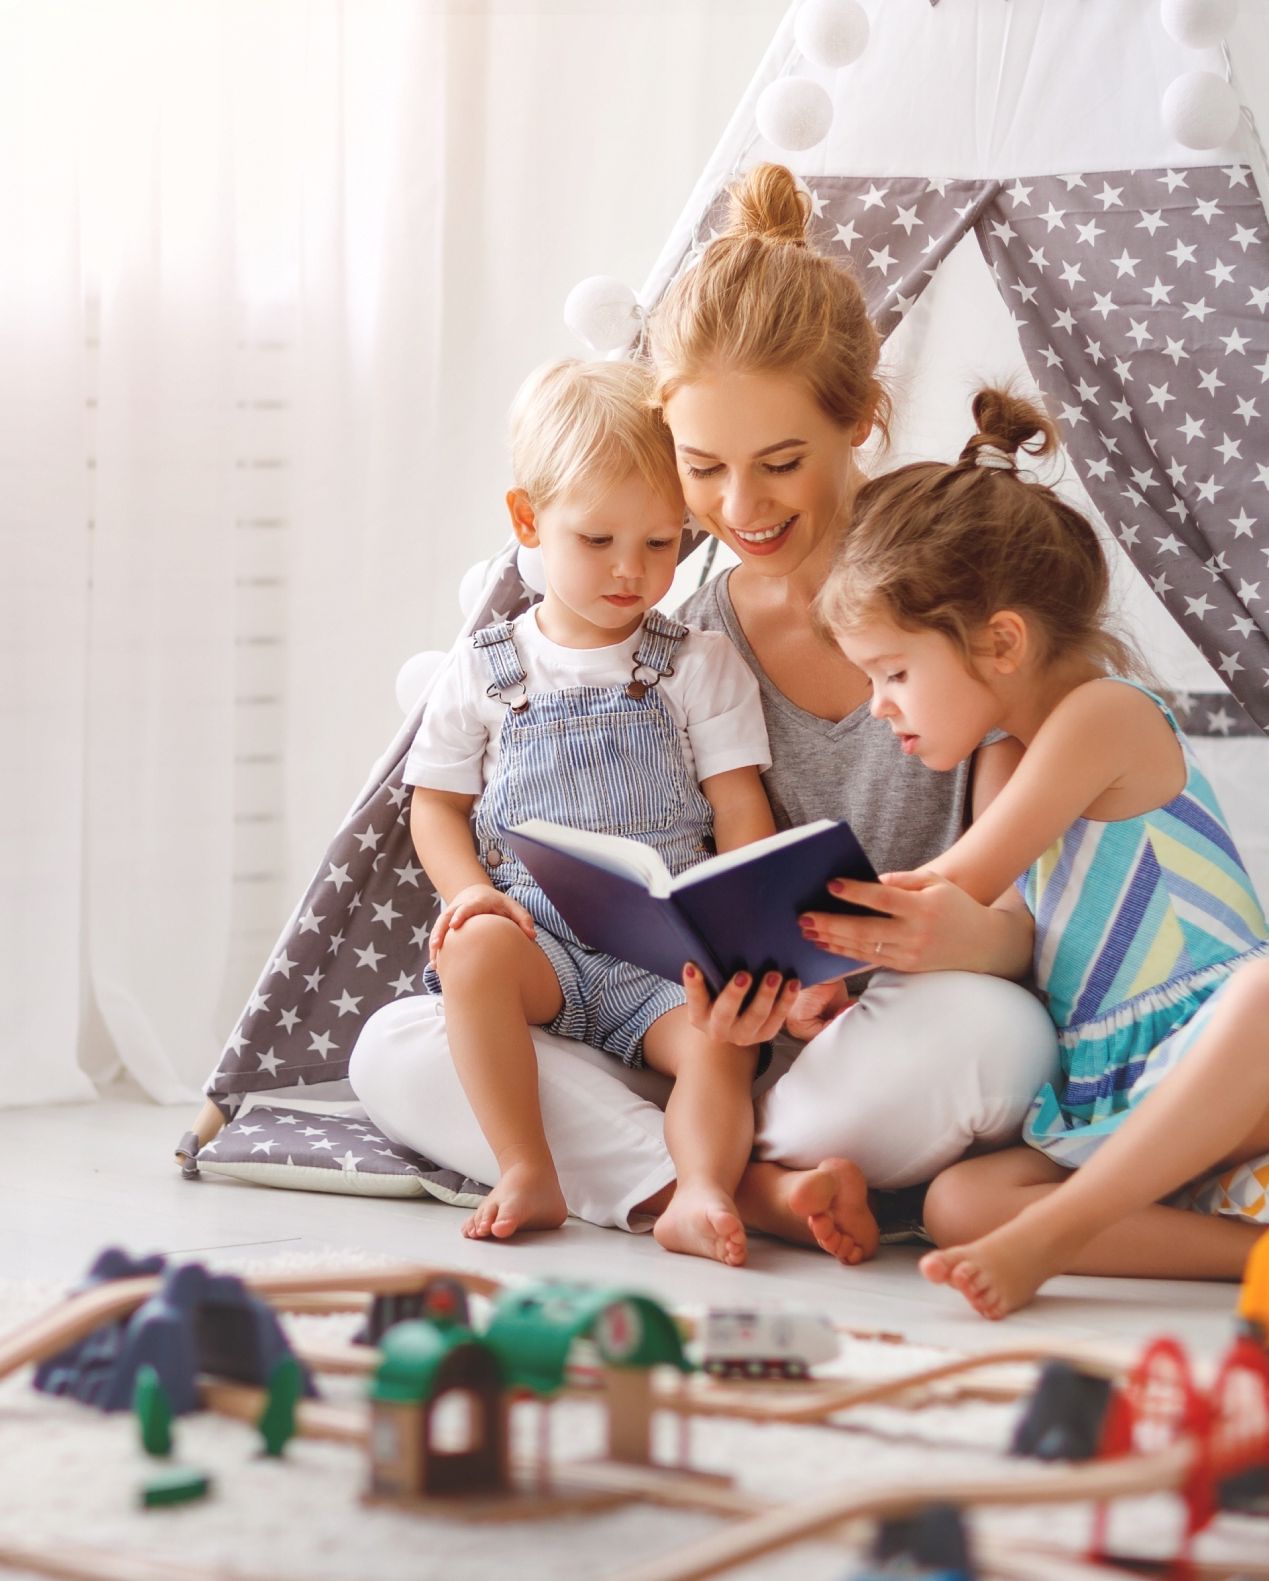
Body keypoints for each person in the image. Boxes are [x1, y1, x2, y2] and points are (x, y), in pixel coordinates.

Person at [352, 162, 1059, 1262]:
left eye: (780, 463)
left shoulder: (949, 582)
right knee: (395, 1046)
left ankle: (703, 1165)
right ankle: (740, 1188)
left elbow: (1030, 918)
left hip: (874, 1032)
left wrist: (947, 938)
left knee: (991, 1037)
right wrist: (731, 985)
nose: (739, 507)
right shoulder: (687, 636)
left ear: (859, 421)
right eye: (702, 469)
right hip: (700, 1031)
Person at [810, 385, 1269, 1319]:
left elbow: (955, 881)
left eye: (893, 672)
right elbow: (996, 928)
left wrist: (813, 934)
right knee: (955, 1202)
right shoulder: (1006, 755)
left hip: (1239, 1063)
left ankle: (1052, 1236)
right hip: (1125, 1089)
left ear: (1001, 641)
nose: (878, 704)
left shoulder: (1106, 716)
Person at [406, 357, 782, 1267]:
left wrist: (743, 932)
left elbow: (740, 807)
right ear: (528, 520)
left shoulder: (698, 663)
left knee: (718, 1039)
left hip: (662, 951)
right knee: (471, 953)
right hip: (538, 940)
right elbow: (436, 809)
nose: (631, 570)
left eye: (660, 542)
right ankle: (526, 1168)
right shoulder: (485, 667)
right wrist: (468, 895)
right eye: (598, 538)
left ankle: (699, 1191)